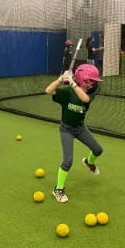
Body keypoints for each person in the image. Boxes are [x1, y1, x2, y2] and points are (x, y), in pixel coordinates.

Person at [44, 64, 103, 203]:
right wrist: (60, 79)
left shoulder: (90, 94)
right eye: (91, 81)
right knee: (68, 161)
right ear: (83, 80)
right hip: (66, 129)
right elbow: (48, 90)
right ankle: (58, 189)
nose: (94, 84)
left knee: (98, 150)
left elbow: (84, 99)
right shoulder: (67, 92)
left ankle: (89, 162)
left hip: (80, 128)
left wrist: (71, 83)